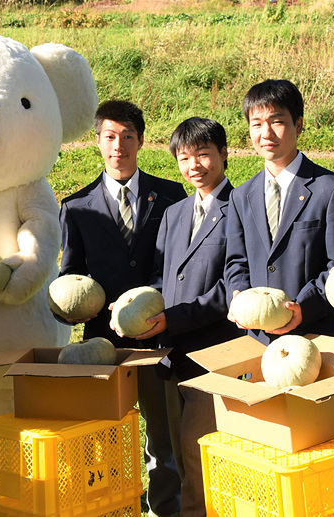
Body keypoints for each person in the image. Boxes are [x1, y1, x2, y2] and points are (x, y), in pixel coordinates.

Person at [58, 100, 185, 517]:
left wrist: (144, 299)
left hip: (156, 336)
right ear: (97, 141)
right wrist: (69, 311)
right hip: (101, 344)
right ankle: (111, 506)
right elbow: (71, 278)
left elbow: (180, 265)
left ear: (141, 141)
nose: (119, 146)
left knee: (163, 435)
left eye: (128, 137)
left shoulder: (170, 195)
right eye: (110, 137)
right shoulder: (76, 207)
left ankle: (164, 507)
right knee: (105, 436)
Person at [134, 117, 244, 517]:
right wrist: (138, 304)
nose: (194, 165)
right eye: (184, 157)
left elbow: (231, 289)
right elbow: (160, 277)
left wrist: (175, 318)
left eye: (203, 154)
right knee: (178, 449)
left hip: (214, 352)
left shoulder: (240, 207)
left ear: (223, 154)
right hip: (169, 353)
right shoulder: (175, 213)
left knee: (206, 451)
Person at [224, 79, 334, 342]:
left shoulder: (332, 190)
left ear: (298, 125)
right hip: (257, 339)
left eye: (276, 121)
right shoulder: (241, 196)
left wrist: (303, 307)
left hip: (315, 335)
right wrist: (239, 294)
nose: (266, 133)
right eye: (257, 124)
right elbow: (236, 261)